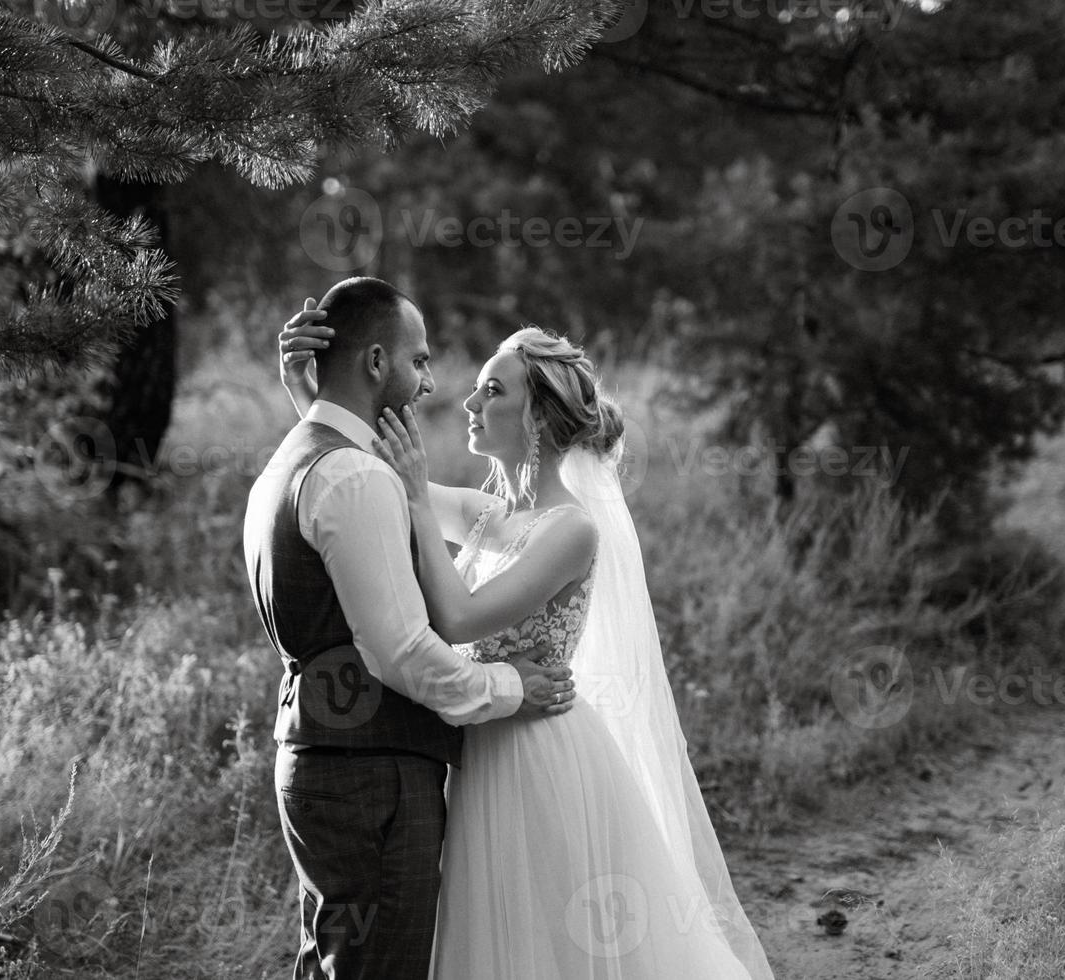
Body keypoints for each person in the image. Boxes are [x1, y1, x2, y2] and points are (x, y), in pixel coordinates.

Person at [278, 313, 777, 979]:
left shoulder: (571, 530)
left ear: (537, 417)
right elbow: (368, 481)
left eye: (492, 391)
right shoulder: (489, 517)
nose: (470, 403)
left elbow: (458, 619)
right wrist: (307, 394)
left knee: (545, 932)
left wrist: (422, 509)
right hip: (482, 741)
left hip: (539, 751)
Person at [243, 276, 577, 980]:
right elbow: (401, 651)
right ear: (374, 364)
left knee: (339, 964)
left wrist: (309, 394)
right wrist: (512, 686)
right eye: (419, 361)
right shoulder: (354, 479)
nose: (432, 384)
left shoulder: (294, 461)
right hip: (372, 775)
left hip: (322, 756)